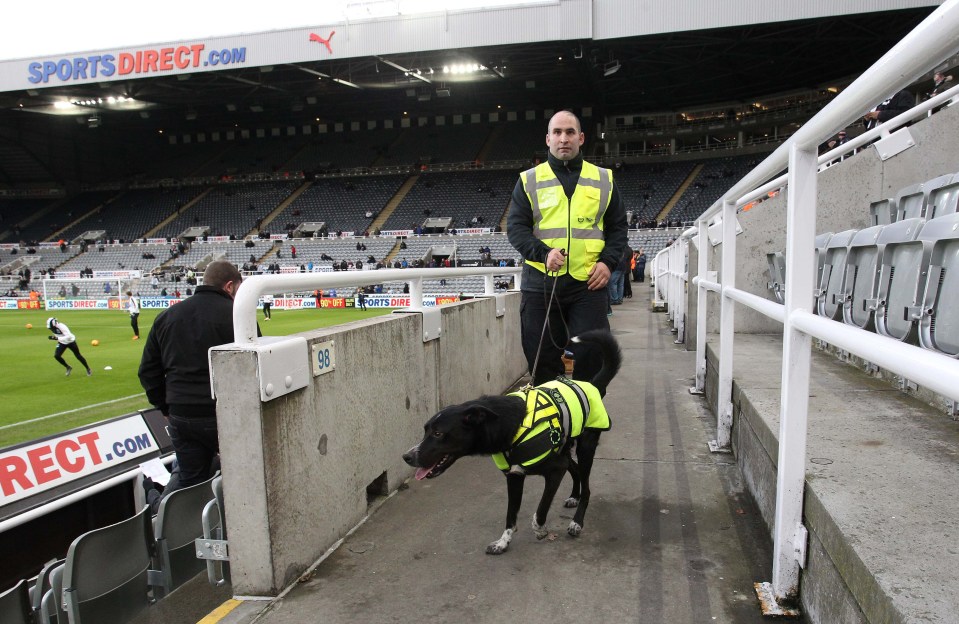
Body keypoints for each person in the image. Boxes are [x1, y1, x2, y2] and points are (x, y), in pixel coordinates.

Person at [506, 110, 628, 385]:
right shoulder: (528, 180)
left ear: (581, 138)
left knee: (592, 356)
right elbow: (516, 229)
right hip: (541, 285)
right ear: (548, 139)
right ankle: (552, 422)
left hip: (588, 284)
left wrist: (608, 263)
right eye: (557, 133)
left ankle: (586, 420)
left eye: (570, 132)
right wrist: (542, 253)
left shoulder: (604, 178)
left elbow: (618, 227)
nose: (564, 138)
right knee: (542, 360)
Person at [138, 261, 249, 496]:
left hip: (181, 413)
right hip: (224, 413)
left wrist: (165, 406)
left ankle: (166, 521)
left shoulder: (167, 317)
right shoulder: (237, 316)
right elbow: (254, 367)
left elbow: (148, 371)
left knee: (189, 481)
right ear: (230, 286)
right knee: (243, 474)